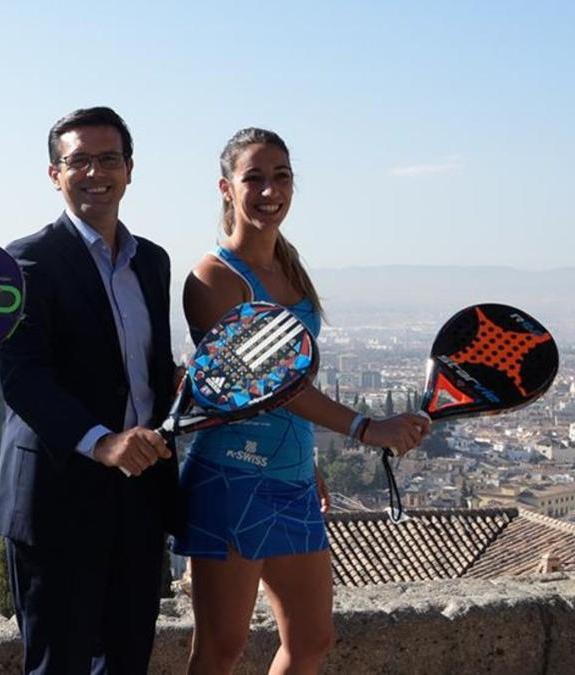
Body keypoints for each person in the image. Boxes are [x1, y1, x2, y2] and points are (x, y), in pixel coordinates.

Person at [176, 127, 431, 674]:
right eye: (255, 178)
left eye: (281, 176)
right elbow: (272, 385)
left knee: (313, 639)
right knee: (222, 649)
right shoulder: (214, 277)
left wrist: (308, 460)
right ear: (226, 188)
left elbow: (294, 382)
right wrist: (367, 427)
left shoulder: (287, 266)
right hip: (231, 475)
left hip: (289, 477)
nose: (270, 190)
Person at [0, 107, 178, 674]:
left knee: (127, 664)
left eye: (109, 159)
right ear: (55, 174)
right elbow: (22, 378)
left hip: (139, 499)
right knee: (59, 667)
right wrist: (102, 442)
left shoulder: (153, 262)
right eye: (79, 161)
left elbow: (148, 372)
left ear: (130, 169)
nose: (96, 173)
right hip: (57, 499)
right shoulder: (26, 261)